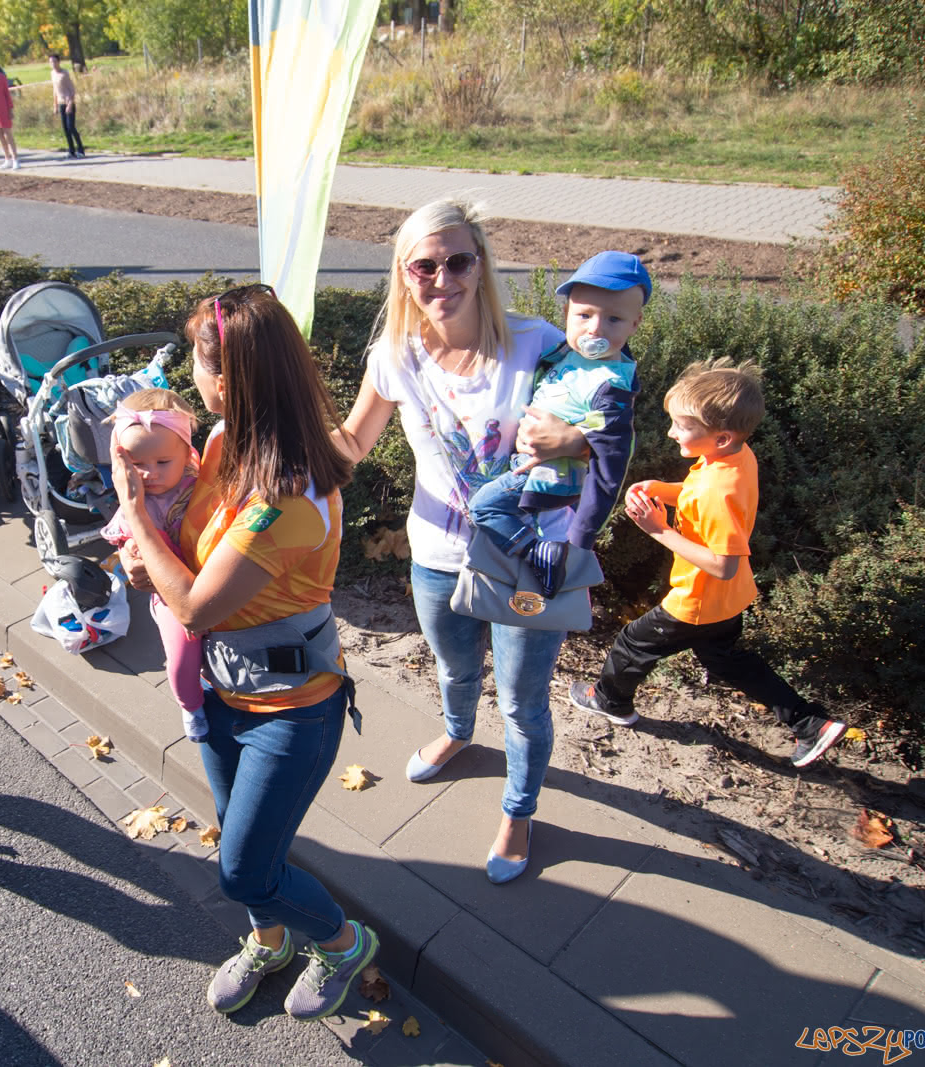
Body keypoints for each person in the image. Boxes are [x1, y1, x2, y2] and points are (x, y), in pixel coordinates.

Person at [114, 285, 379, 1021]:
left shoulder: (287, 494)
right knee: (247, 854)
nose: (191, 381)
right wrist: (151, 557)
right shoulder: (229, 443)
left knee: (242, 868)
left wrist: (136, 519)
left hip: (290, 715)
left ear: (226, 379)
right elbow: (195, 564)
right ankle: (271, 941)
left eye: (197, 364)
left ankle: (343, 940)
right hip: (224, 693)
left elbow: (197, 605)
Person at [331, 198, 590, 884]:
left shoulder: (537, 345)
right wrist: (278, 417)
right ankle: (457, 732)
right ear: (403, 273)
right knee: (454, 669)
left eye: (457, 261)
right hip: (438, 557)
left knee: (523, 701)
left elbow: (612, 421)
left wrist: (579, 439)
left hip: (528, 562)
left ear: (480, 265)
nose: (441, 277)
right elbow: (353, 443)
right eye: (424, 264)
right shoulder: (393, 358)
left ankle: (518, 807)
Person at [568, 361, 849, 767]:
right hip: (726, 600)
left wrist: (657, 529)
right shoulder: (732, 459)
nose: (671, 433)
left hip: (698, 599)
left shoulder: (719, 488)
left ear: (721, 436)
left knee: (632, 643)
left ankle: (610, 700)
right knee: (728, 662)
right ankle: (811, 724)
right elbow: (695, 494)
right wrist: (660, 491)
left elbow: (723, 564)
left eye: (682, 427)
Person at [466, 251, 649, 597]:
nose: (595, 328)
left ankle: (538, 552)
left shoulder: (612, 384)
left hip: (549, 477)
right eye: (584, 315)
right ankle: (537, 555)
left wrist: (582, 536)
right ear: (566, 313)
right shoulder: (566, 355)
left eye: (613, 320)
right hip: (531, 468)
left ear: (634, 324)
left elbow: (612, 461)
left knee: (483, 506)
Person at [100, 388, 205, 741]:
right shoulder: (134, 502)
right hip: (172, 596)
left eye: (162, 462)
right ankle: (190, 705)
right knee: (180, 656)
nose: (149, 474)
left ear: (187, 454)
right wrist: (131, 548)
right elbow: (131, 543)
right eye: (137, 464)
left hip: (211, 582)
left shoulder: (201, 487)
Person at [49, 54, 85, 158]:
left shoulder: (64, 73)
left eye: (55, 61)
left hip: (68, 102)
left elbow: (72, 90)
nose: (53, 64)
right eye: (51, 62)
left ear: (59, 62)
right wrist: (55, 105)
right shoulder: (52, 74)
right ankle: (71, 150)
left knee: (71, 127)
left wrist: (70, 104)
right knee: (65, 128)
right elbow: (55, 90)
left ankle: (81, 150)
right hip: (60, 103)